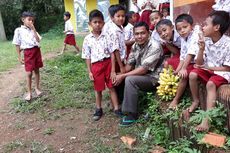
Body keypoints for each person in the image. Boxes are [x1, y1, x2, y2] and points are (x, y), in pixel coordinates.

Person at [114, 22, 163, 126]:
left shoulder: (155, 46)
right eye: (137, 34)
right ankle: (121, 104)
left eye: (142, 33)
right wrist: (118, 73)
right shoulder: (135, 45)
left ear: (148, 33)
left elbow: (144, 69)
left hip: (154, 78)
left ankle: (132, 114)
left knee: (129, 79)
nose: (139, 36)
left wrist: (123, 75)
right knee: (120, 76)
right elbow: (129, 65)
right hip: (142, 76)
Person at [188, 11, 230, 131]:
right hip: (209, 69)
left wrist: (208, 68)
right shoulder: (206, 40)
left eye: (206, 24)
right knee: (192, 74)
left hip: (223, 72)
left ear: (216, 27)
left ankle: (206, 120)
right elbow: (199, 63)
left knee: (211, 84)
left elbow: (227, 68)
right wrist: (201, 49)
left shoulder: (228, 43)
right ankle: (195, 101)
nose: (203, 27)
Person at [82, 9, 122, 121]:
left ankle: (116, 108)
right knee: (98, 89)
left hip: (108, 63)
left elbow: (112, 53)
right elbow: (87, 56)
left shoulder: (107, 36)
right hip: (96, 66)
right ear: (90, 24)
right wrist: (89, 71)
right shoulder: (87, 39)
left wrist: (113, 70)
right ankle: (98, 109)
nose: (98, 25)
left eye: (100, 22)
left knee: (111, 87)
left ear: (103, 23)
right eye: (95, 22)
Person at [169, 14, 200, 109]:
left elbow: (190, 53)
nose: (182, 30)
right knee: (180, 73)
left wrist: (183, 69)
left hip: (199, 62)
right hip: (191, 62)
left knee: (184, 76)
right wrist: (178, 70)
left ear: (191, 26)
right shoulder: (183, 38)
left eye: (185, 27)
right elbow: (183, 55)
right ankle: (176, 99)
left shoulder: (195, 35)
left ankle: (189, 100)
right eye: (179, 29)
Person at [12, 11, 43, 101]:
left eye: (32, 20)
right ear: (23, 20)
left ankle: (37, 88)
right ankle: (29, 92)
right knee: (29, 73)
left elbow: (38, 40)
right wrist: (19, 56)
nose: (31, 22)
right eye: (29, 20)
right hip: (28, 53)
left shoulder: (33, 30)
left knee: (37, 70)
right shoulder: (18, 30)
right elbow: (17, 44)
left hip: (36, 51)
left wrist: (33, 29)